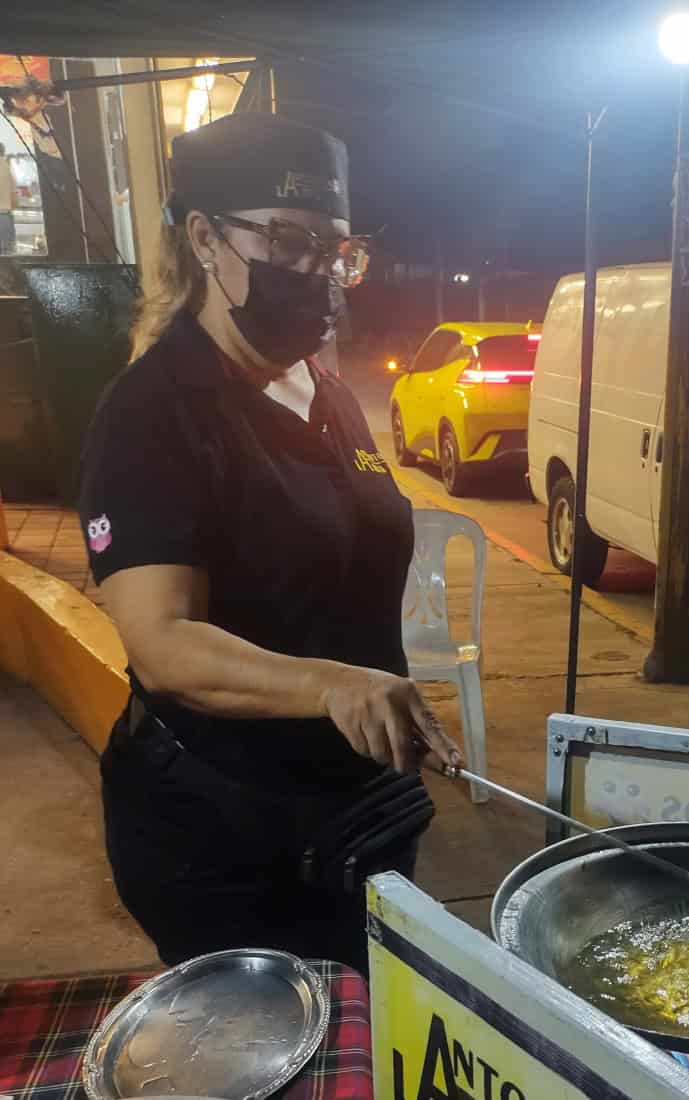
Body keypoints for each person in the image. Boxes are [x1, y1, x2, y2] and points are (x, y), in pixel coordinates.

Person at [78, 113, 462, 975]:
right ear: (206, 239)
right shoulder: (152, 413)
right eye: (289, 241)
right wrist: (331, 685)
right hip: (225, 831)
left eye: (337, 249)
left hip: (361, 807)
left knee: (364, 1034)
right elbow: (164, 646)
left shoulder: (328, 392)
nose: (320, 273)